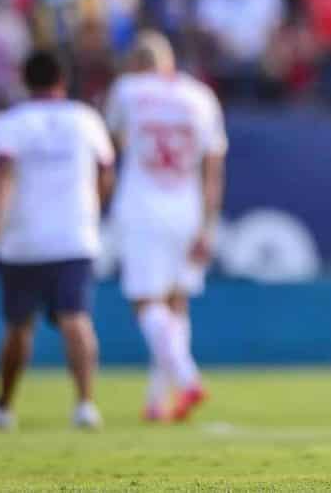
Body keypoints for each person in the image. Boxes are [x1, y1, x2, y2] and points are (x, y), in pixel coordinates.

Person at [105, 31, 227, 422]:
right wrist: (208, 224)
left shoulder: (127, 90)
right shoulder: (201, 97)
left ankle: (188, 378)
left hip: (141, 205)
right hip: (186, 207)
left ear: (136, 64)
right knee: (177, 303)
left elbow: (112, 144)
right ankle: (158, 401)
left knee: (146, 303)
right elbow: (214, 169)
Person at [0, 50, 114, 430]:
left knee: (17, 327)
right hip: (74, 235)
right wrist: (93, 209)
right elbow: (106, 171)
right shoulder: (85, 119)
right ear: (62, 80)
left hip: (22, 239)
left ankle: (4, 407)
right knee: (76, 319)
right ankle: (85, 405)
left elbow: (2, 176)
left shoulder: (10, 124)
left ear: (26, 82)